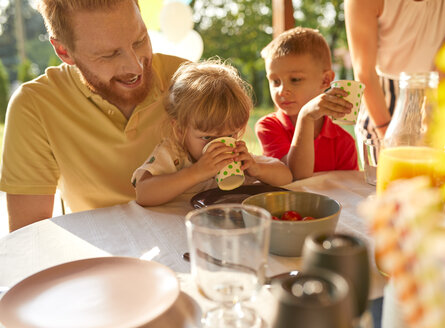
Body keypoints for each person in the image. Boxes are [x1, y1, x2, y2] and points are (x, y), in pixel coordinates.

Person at [0, 0, 187, 231]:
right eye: (109, 54)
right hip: (99, 260)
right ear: (64, 51)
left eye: (140, 41)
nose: (135, 66)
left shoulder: (189, 81)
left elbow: (231, 189)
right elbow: (30, 239)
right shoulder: (34, 106)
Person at [132, 60, 293, 206]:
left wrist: (256, 168)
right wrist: (196, 173)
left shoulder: (236, 155)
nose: (219, 144)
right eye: (207, 137)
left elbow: (286, 176)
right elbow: (143, 194)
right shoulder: (174, 154)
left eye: (230, 135)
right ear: (180, 130)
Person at [344, 0, 445, 156]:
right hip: (380, 99)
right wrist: (387, 134)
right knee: (387, 176)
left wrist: (432, 116)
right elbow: (364, 72)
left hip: (434, 94)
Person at [255, 27, 359, 180]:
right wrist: (306, 117)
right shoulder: (269, 127)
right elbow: (295, 178)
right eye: (275, 81)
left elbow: (349, 192)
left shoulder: (344, 142)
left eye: (295, 79)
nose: (282, 91)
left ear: (325, 80)